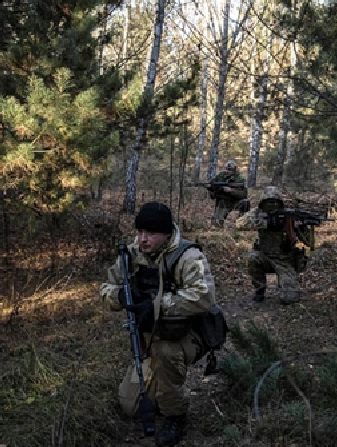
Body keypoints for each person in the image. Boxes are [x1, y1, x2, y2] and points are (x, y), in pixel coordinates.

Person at [100, 202, 216, 446]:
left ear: (166, 233)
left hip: (187, 335)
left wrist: (156, 305)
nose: (143, 239)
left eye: (150, 233)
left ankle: (176, 416)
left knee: (165, 354)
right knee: (129, 405)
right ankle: (162, 389)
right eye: (140, 231)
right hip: (151, 336)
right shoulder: (131, 255)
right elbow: (106, 287)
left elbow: (204, 298)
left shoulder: (188, 256)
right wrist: (119, 296)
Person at [235, 186, 309, 305]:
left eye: (275, 202)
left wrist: (301, 228)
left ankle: (286, 285)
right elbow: (239, 224)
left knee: (289, 298)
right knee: (252, 257)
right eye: (269, 202)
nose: (272, 204)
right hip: (265, 257)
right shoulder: (258, 212)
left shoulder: (288, 216)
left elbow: (307, 242)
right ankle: (260, 288)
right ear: (263, 202)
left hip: (285, 261)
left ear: (280, 203)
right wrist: (266, 223)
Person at [204, 160, 248, 227]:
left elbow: (244, 194)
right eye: (227, 169)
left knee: (245, 203)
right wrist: (209, 187)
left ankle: (242, 224)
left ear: (234, 170)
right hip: (223, 202)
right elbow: (212, 185)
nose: (228, 171)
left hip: (235, 202)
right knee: (216, 224)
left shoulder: (240, 179)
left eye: (230, 169)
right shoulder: (220, 176)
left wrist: (231, 191)